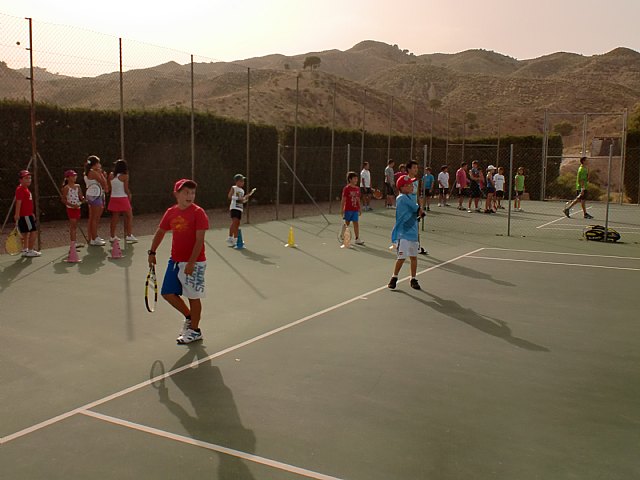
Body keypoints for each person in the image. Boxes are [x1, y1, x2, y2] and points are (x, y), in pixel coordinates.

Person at [148, 178, 209, 345]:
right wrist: (152, 252)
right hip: (174, 261)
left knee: (193, 297)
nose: (190, 195)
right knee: (167, 293)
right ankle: (189, 317)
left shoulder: (199, 213)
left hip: (195, 263)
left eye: (192, 192)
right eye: (186, 192)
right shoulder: (171, 212)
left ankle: (195, 331)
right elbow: (160, 232)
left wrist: (191, 263)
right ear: (176, 194)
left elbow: (199, 241)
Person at [388, 175, 424, 290]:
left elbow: (416, 211)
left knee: (413, 257)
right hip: (403, 234)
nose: (411, 186)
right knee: (402, 257)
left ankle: (413, 279)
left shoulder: (410, 197)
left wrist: (419, 213)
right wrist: (420, 210)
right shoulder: (402, 198)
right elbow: (417, 209)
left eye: (411, 184)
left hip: (412, 233)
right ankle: (394, 277)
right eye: (408, 185)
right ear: (402, 187)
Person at [107, 159, 137, 243]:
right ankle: (129, 235)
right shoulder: (125, 176)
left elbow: (109, 187)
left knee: (114, 217)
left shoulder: (111, 175)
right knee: (129, 216)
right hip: (122, 197)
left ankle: (112, 236)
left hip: (114, 197)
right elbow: (126, 188)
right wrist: (129, 195)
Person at [13, 170, 41, 257]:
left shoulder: (25, 189)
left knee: (26, 233)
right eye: (26, 178)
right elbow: (18, 202)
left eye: (29, 178)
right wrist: (17, 214)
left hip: (28, 215)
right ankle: (30, 250)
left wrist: (31, 213)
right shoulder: (20, 189)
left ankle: (25, 250)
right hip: (25, 216)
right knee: (34, 232)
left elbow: (27, 203)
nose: (29, 180)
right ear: (20, 180)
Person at [84, 155, 109, 246]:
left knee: (93, 218)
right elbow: (103, 182)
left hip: (93, 194)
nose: (99, 165)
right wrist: (102, 174)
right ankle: (94, 238)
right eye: (98, 163)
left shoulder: (90, 172)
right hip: (94, 195)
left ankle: (92, 237)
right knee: (95, 217)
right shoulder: (93, 172)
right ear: (94, 164)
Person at [226, 173, 254, 246]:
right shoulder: (234, 188)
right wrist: (239, 198)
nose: (243, 182)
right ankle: (234, 239)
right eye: (241, 181)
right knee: (235, 222)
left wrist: (245, 199)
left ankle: (231, 238)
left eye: (243, 181)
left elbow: (241, 201)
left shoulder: (242, 191)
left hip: (239, 208)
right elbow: (229, 196)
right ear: (237, 181)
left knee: (237, 223)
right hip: (234, 207)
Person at [61, 170, 84, 250]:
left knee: (75, 226)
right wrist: (72, 205)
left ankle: (74, 242)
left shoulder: (78, 186)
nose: (75, 177)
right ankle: (73, 244)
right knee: (73, 226)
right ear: (68, 178)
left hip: (77, 208)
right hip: (71, 209)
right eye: (72, 176)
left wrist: (84, 199)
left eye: (75, 176)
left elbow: (81, 197)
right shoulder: (66, 188)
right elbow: (63, 200)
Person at [341, 171, 365, 245]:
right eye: (354, 178)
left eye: (356, 179)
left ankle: (357, 239)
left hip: (355, 210)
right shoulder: (346, 188)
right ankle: (344, 236)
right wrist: (342, 210)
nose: (356, 180)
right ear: (350, 179)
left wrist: (359, 208)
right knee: (347, 224)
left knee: (356, 223)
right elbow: (343, 199)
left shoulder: (357, 189)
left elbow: (358, 199)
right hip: (348, 209)